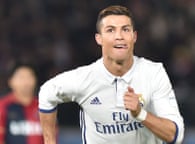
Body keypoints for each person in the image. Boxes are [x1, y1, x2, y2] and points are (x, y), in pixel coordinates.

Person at [39, 5, 184, 144]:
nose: (119, 36)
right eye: (110, 30)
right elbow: (46, 93)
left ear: (134, 36)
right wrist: (49, 141)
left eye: (125, 30)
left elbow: (175, 135)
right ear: (99, 38)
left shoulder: (153, 73)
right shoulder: (85, 78)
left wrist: (141, 114)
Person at [0, 64, 43, 144]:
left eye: (29, 77)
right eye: (21, 77)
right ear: (10, 81)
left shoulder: (44, 107)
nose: (26, 82)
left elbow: (51, 138)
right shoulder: (3, 106)